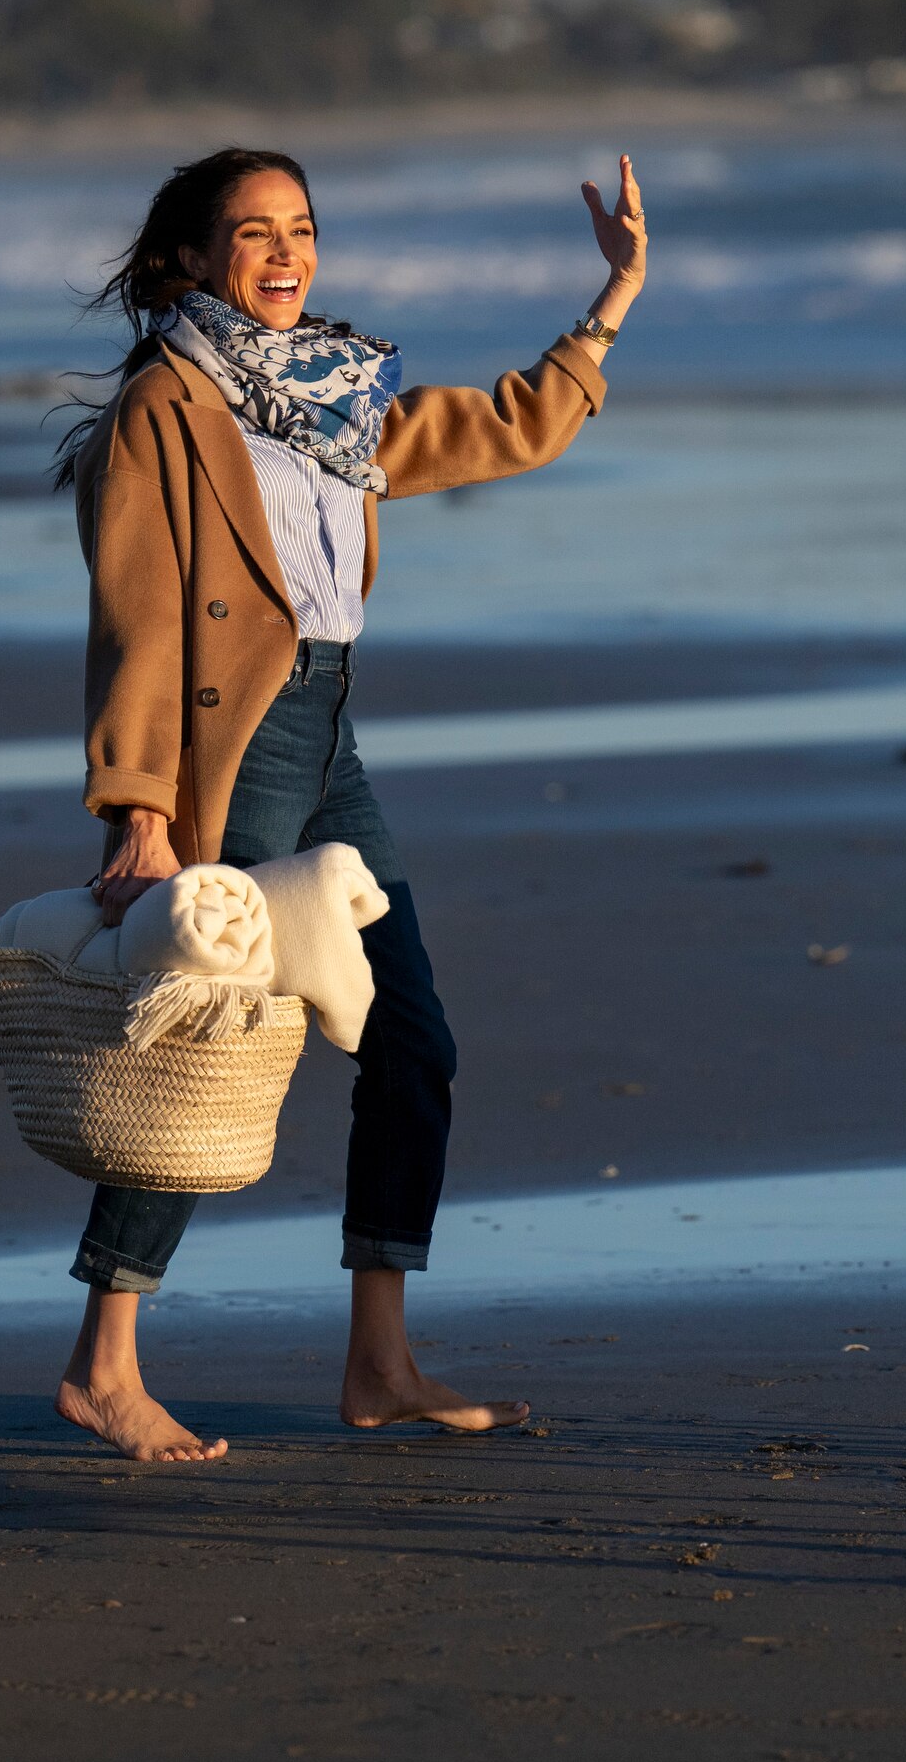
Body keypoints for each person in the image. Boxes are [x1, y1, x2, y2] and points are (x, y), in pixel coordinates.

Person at [51, 144, 650, 1460]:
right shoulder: (171, 404)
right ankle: (106, 1362)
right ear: (192, 259)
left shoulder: (327, 393)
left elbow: (496, 425)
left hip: (331, 742)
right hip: (236, 746)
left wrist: (611, 301)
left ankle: (379, 1362)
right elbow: (140, 618)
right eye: (254, 234)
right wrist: (138, 807)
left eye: (302, 229)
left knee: (411, 1034)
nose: (285, 253)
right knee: (206, 1039)